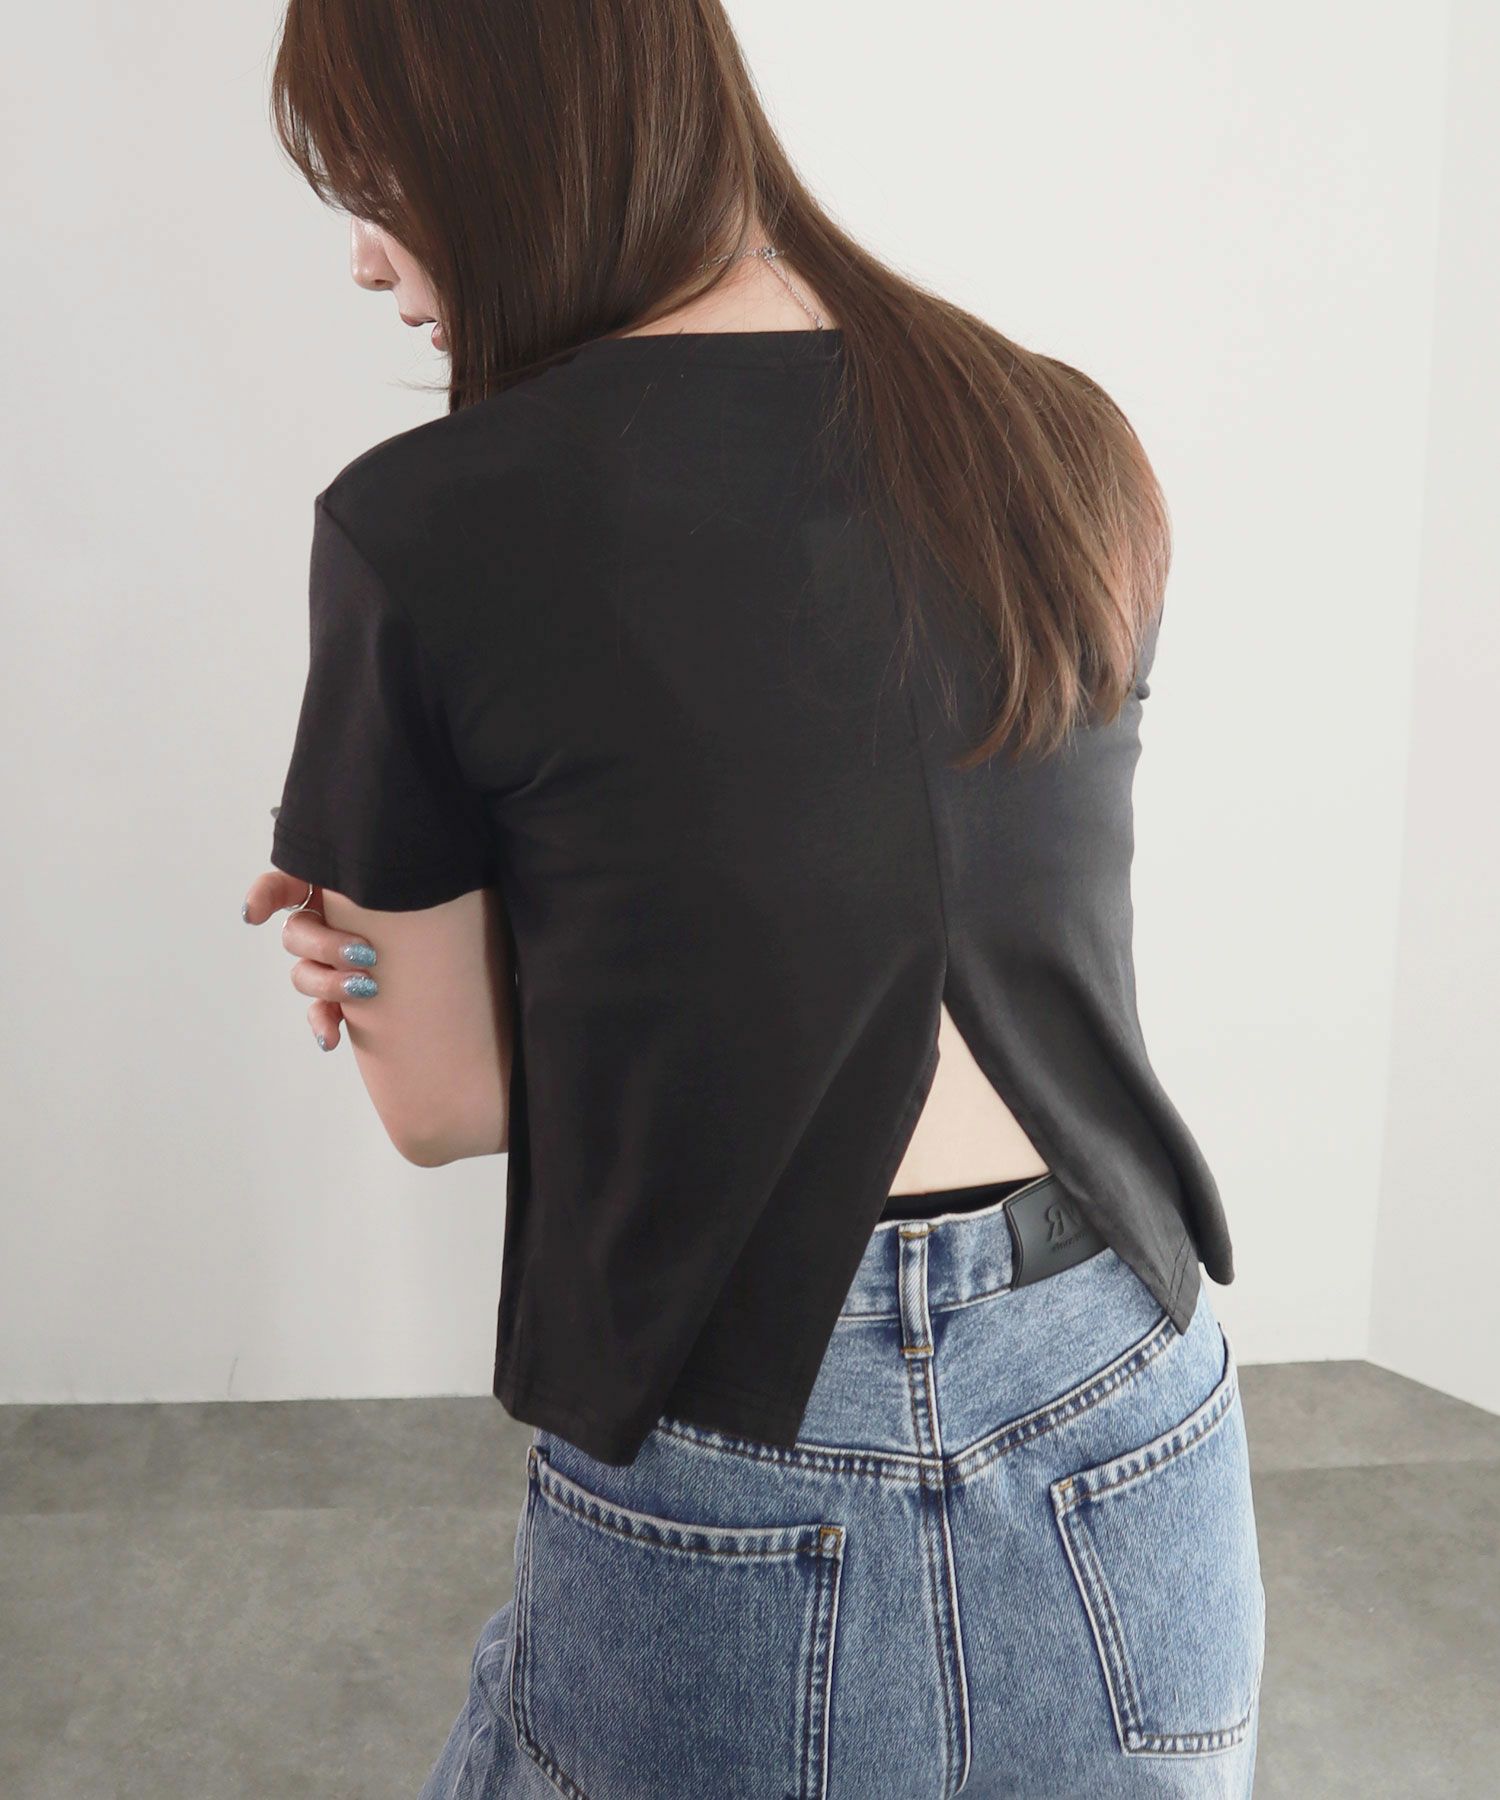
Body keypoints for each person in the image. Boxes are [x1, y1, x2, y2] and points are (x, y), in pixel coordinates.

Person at [241, 1, 1266, 1792]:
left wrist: (387, 920)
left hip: (737, 1416)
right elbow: (926, 893)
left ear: (510, 147)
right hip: (1125, 1389)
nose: (365, 255)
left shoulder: (423, 523)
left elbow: (447, 1101)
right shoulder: (1061, 436)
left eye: (379, 181)